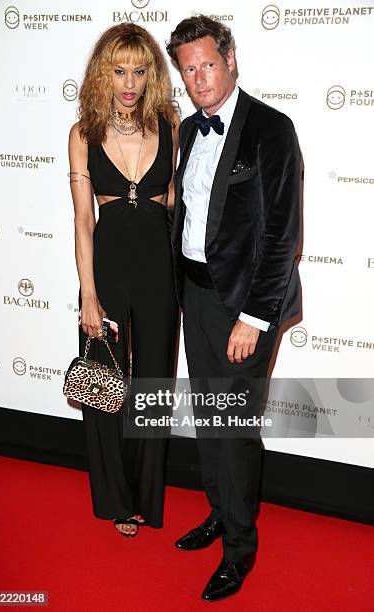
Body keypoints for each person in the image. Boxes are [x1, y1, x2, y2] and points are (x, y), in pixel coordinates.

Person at [166, 15, 302, 602]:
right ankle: (220, 514)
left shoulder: (271, 130)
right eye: (188, 69)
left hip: (246, 305)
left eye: (208, 64)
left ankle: (240, 551)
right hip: (194, 294)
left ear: (231, 60)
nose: (199, 78)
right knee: (208, 418)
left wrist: (255, 316)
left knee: (237, 429)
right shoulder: (187, 131)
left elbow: (282, 237)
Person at [68, 23, 179, 538]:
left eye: (139, 70)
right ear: (102, 73)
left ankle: (146, 495)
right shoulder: (83, 133)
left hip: (159, 266)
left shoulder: (170, 123)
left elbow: (177, 204)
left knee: (153, 382)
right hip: (108, 267)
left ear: (151, 72)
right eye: (119, 70)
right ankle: (115, 498)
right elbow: (84, 220)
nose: (129, 82)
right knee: (104, 383)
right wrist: (88, 293)